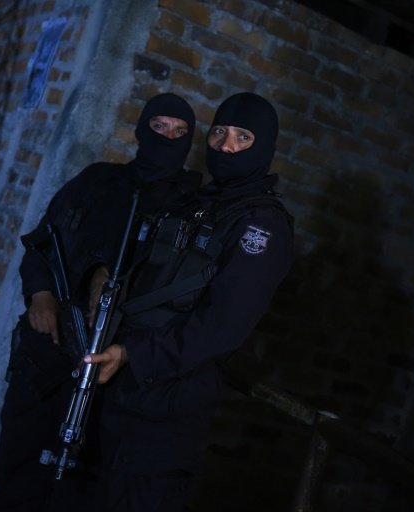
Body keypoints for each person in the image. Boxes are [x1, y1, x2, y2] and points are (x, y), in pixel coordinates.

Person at [0, 93, 201, 512]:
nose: (167, 138)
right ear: (142, 129)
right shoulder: (99, 181)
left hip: (115, 364)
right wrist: (42, 295)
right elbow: (43, 243)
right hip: (52, 349)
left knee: (84, 481)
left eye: (179, 132)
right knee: (23, 461)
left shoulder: (186, 208)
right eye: (159, 128)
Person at [84, 92, 294, 511]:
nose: (226, 146)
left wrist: (132, 353)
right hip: (123, 381)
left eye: (243, 138)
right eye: (219, 133)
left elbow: (221, 327)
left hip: (170, 398)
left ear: (264, 147)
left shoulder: (261, 225)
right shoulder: (196, 204)